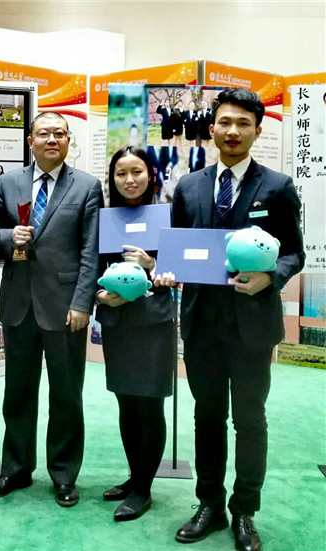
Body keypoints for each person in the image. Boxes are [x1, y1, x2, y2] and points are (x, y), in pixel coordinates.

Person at [172, 88, 304, 551]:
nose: (233, 131)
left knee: (249, 419)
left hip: (252, 324)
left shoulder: (277, 186)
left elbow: (294, 253)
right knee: (206, 417)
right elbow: (178, 249)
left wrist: (271, 278)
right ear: (211, 129)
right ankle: (209, 504)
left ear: (257, 131)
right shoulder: (188, 187)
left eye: (243, 124)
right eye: (225, 122)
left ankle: (245, 510)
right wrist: (168, 269)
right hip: (202, 323)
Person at [0, 112, 102, 507]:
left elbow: (90, 250)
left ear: (68, 141)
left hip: (65, 307)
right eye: (44, 133)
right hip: (18, 303)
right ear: (30, 140)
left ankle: (64, 474)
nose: (52, 139)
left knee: (66, 393)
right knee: (17, 392)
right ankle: (15, 469)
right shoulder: (7, 183)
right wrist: (7, 237)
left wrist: (82, 302)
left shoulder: (87, 186)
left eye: (59, 133)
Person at [96, 146, 176, 522]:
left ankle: (143, 489)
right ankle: (135, 477)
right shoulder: (104, 219)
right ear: (112, 179)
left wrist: (154, 263)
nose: (130, 180)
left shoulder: (167, 216)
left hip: (154, 323)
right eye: (121, 173)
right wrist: (100, 296)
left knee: (150, 404)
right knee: (126, 403)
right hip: (118, 323)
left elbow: (182, 265)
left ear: (151, 175)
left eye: (137, 171)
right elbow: (91, 266)